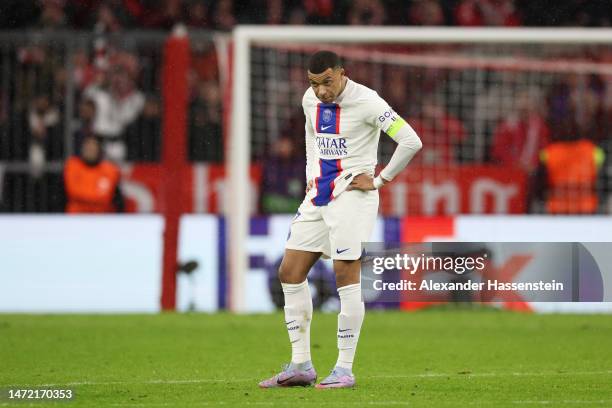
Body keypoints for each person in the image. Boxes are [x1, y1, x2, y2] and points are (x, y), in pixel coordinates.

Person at [259, 51, 422, 389]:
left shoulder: (369, 102)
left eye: (326, 82)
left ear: (341, 74)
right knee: (289, 271)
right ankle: (301, 364)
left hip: (353, 197)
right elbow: (310, 136)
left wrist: (380, 179)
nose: (320, 91)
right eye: (314, 83)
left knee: (344, 275)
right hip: (318, 196)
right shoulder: (309, 100)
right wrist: (309, 173)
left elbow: (410, 140)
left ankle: (344, 369)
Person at [63, 135, 124, 213]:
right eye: (88, 148)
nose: (90, 150)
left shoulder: (110, 170)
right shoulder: (72, 166)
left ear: (99, 150)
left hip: (102, 217)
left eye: (93, 147)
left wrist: (86, 197)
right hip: (76, 216)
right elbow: (73, 192)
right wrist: (96, 197)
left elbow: (108, 197)